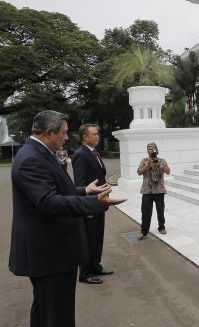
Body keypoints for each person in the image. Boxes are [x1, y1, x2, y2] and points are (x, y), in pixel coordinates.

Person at [9, 110, 125, 327]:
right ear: (48, 132)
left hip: (50, 251)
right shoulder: (31, 159)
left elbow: (57, 190)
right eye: (63, 133)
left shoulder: (39, 153)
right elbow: (49, 202)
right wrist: (95, 203)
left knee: (45, 309)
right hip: (50, 253)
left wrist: (83, 191)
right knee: (57, 314)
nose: (66, 137)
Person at [72, 123, 113, 285]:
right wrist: (85, 206)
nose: (98, 136)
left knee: (97, 237)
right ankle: (85, 273)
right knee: (88, 238)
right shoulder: (81, 155)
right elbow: (79, 185)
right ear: (85, 137)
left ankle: (95, 265)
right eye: (94, 134)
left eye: (98, 133)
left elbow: (99, 175)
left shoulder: (94, 152)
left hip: (99, 202)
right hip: (89, 205)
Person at [137, 142, 171, 240]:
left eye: (153, 148)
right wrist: (147, 166)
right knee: (145, 212)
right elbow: (139, 172)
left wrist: (160, 165)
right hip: (147, 190)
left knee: (160, 210)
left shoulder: (162, 160)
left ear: (157, 150)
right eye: (149, 149)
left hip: (159, 190)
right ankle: (144, 231)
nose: (151, 150)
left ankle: (161, 227)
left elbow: (168, 172)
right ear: (147, 151)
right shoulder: (144, 161)